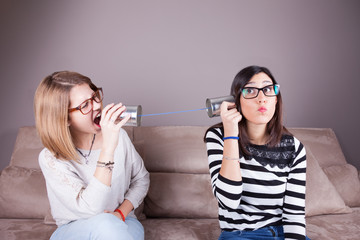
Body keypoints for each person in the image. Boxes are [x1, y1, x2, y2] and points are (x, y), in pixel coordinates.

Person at [34, 71, 150, 240]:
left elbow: (142, 179)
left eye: (95, 96)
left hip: (122, 222)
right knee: (105, 224)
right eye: (84, 105)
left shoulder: (120, 136)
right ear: (64, 118)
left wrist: (120, 213)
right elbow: (92, 209)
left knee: (111, 226)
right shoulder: (50, 158)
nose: (97, 106)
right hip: (74, 229)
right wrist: (108, 149)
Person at [204, 66, 310, 240]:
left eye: (268, 89)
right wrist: (231, 134)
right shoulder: (217, 136)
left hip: (283, 234)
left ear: (276, 99)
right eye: (251, 90)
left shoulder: (295, 148)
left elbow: (294, 215)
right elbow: (229, 201)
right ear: (236, 100)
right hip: (240, 235)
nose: (262, 99)